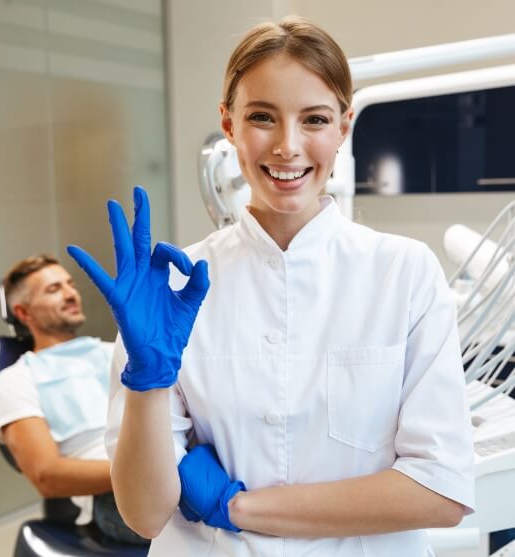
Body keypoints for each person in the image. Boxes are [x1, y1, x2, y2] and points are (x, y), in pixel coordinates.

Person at [68, 15, 475, 556]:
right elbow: (144, 515)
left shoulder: (404, 273)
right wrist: (147, 381)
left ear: (344, 127)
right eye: (262, 116)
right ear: (229, 124)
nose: (287, 146)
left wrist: (236, 506)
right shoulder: (171, 291)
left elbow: (439, 491)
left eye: (314, 119)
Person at [0, 254, 145, 545]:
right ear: (24, 313)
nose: (70, 294)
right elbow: (46, 475)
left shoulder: (117, 351)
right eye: (53, 289)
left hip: (171, 462)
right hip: (114, 496)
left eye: (70, 284)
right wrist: (144, 469)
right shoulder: (17, 379)